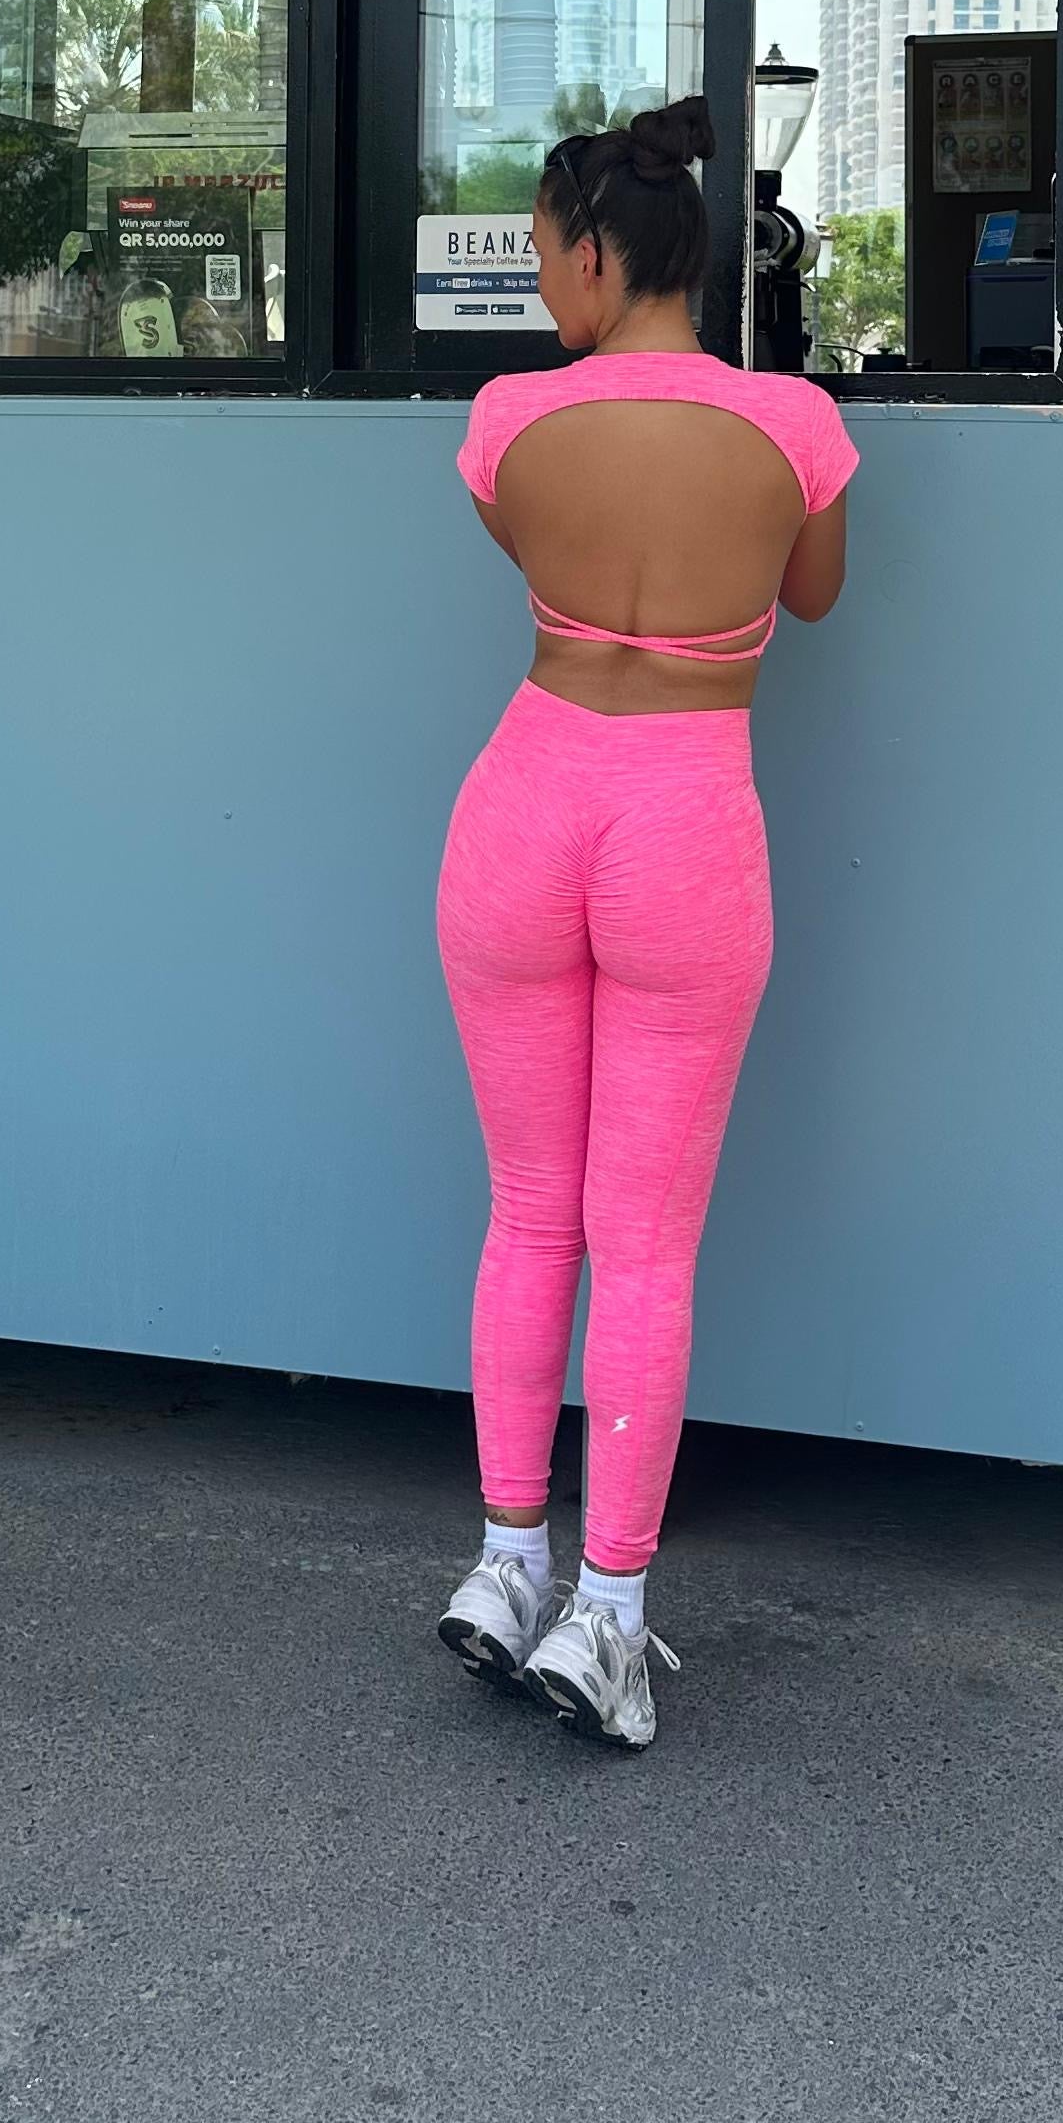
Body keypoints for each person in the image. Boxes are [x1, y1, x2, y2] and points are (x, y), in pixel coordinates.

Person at [435, 95, 856, 1750]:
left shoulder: (508, 422)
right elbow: (810, 596)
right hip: (686, 825)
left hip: (522, 810)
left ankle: (503, 1566)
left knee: (527, 1212)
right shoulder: (795, 426)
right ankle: (606, 1613)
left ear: (602, 257)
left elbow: (524, 544)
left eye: (548, 257)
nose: (543, 285)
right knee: (646, 1242)